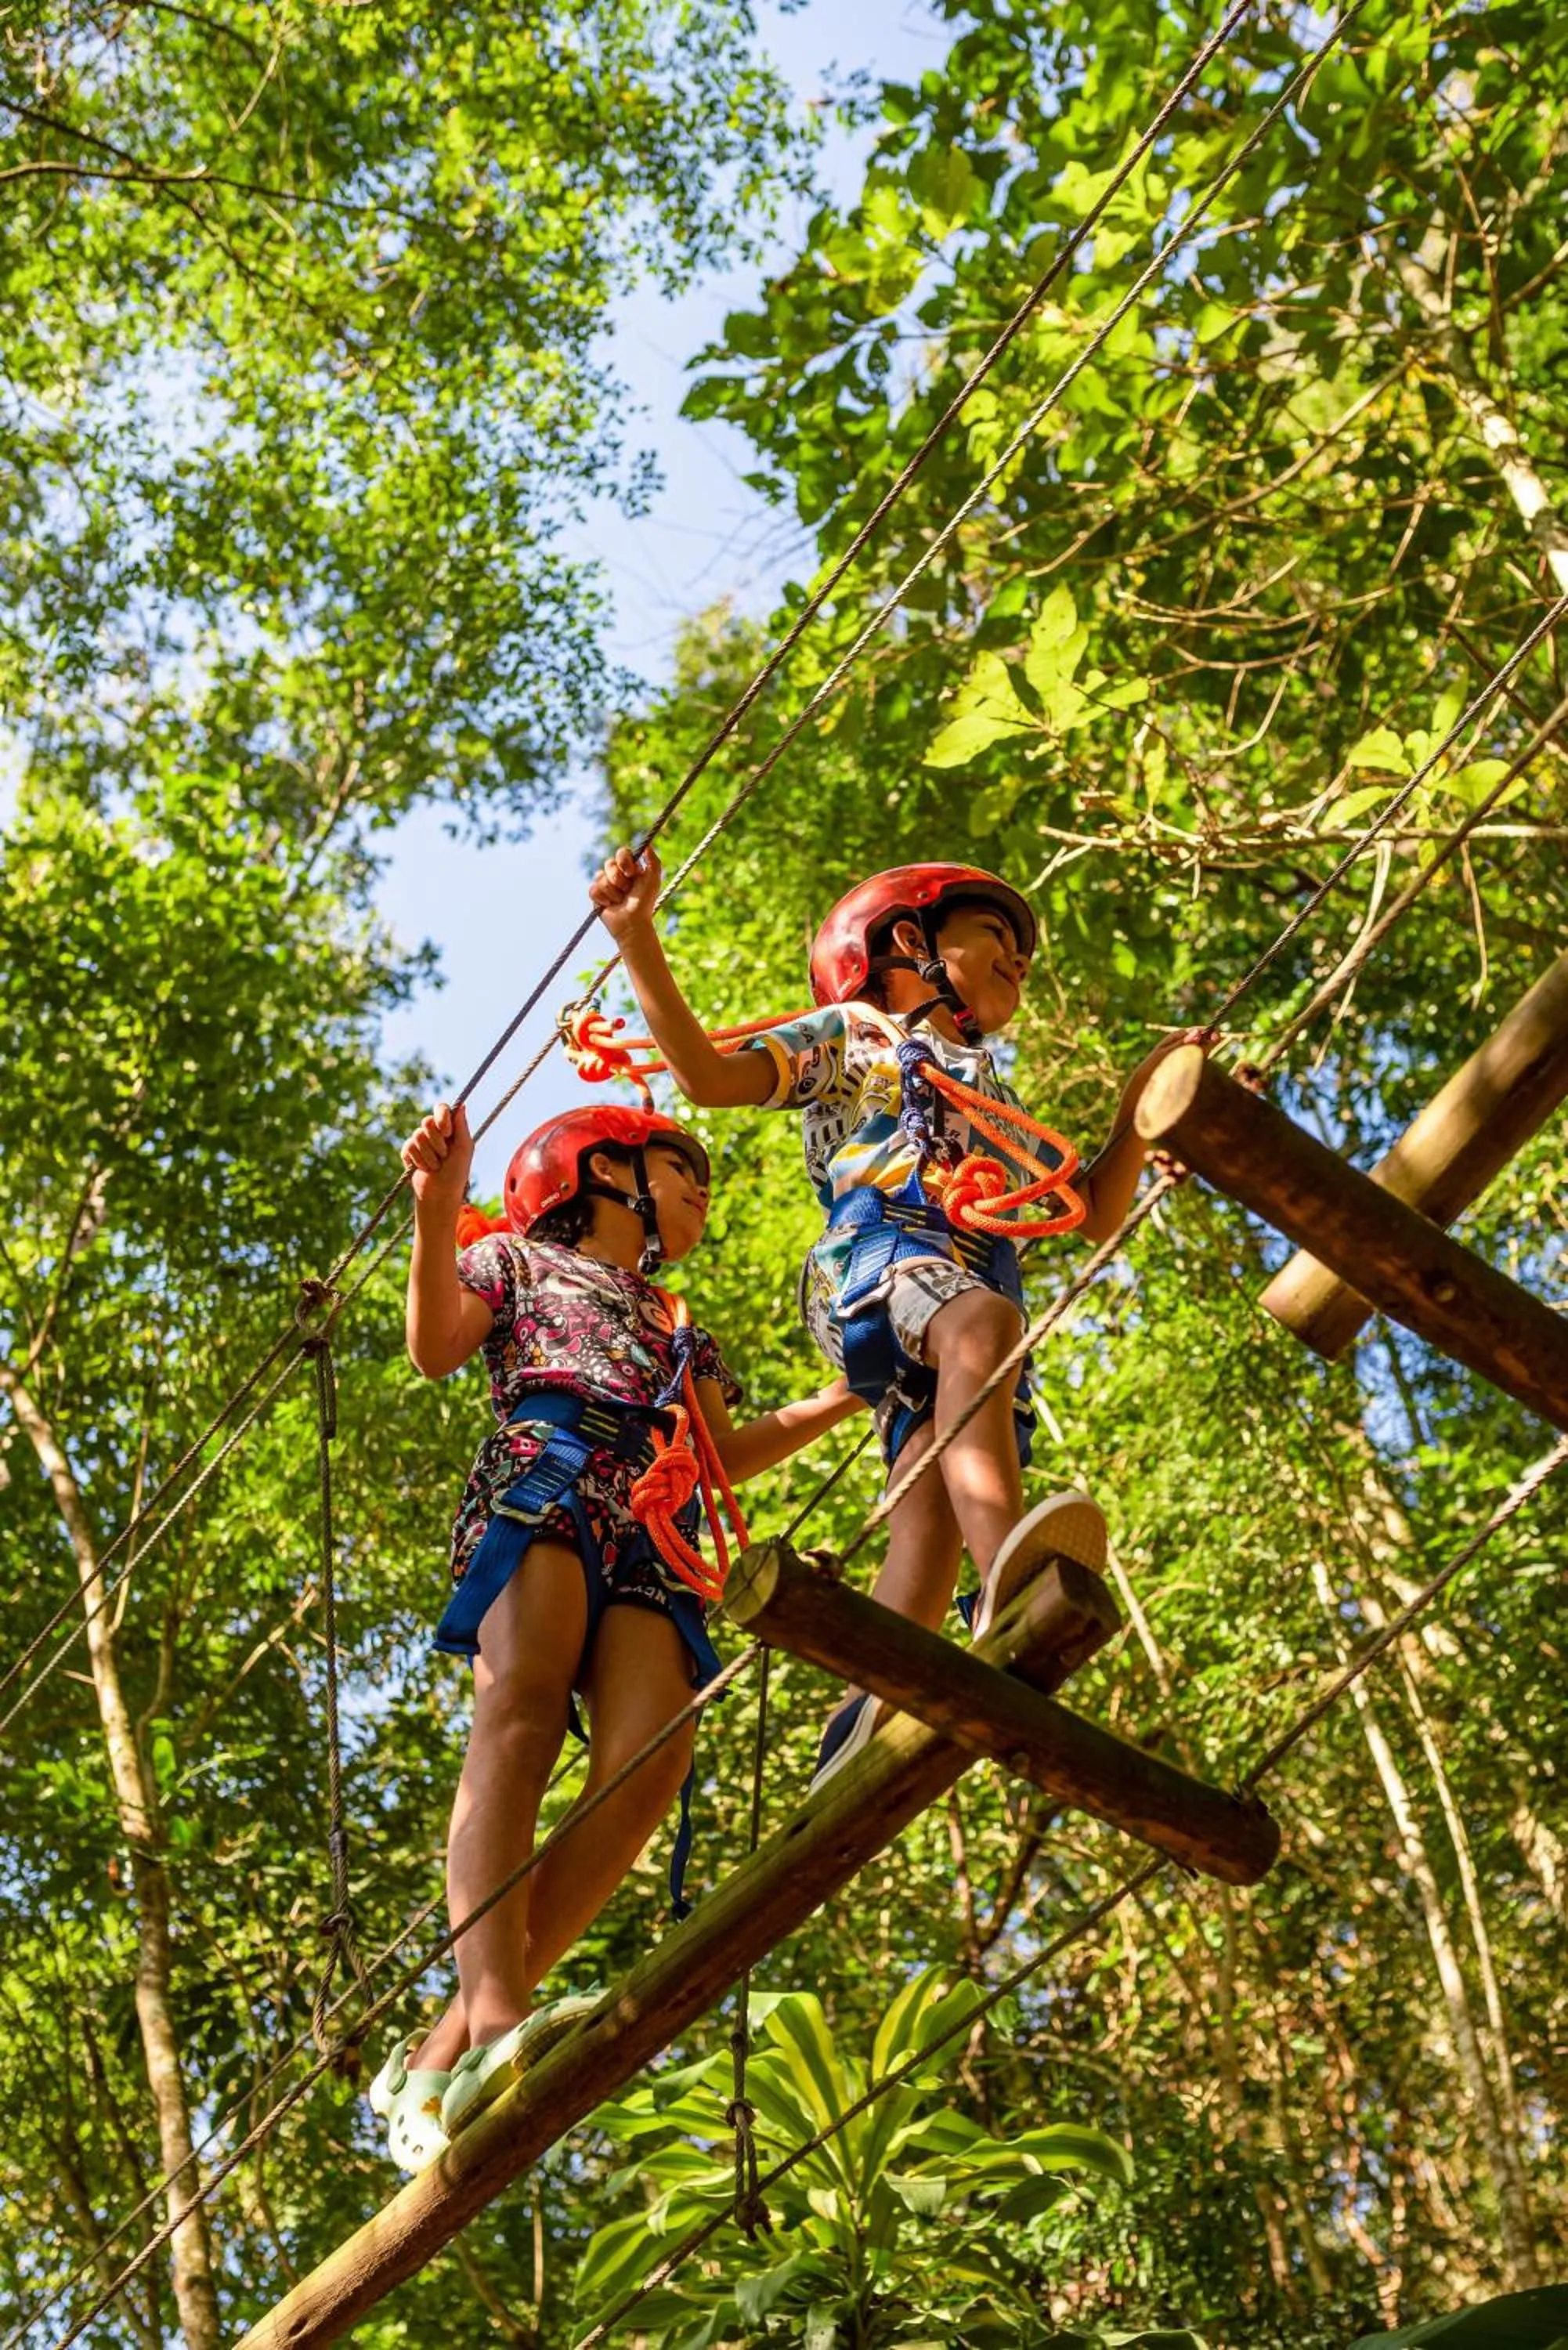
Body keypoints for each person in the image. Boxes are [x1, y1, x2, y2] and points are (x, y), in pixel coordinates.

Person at [589, 849, 1194, 1788]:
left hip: (960, 1280)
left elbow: (1090, 1207)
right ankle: (1011, 1573)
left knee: (926, 1519)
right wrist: (636, 936)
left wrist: (1144, 1108)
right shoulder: (854, 1037)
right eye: (996, 939)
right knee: (981, 1328)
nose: (1018, 965)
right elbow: (709, 1077)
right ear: (911, 942)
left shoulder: (991, 1090)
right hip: (880, 1258)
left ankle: (859, 1734)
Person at [371, 1097, 862, 2171]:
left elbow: (723, 1449)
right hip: (548, 1468)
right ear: (601, 1173)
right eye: (680, 1169)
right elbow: (437, 1347)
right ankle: (496, 2018)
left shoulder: (679, 1321)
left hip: (652, 1518)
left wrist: (840, 1399)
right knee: (523, 1705)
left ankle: (441, 2053)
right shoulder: (511, 1262)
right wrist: (436, 1210)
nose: (700, 1192)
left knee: (651, 1757)